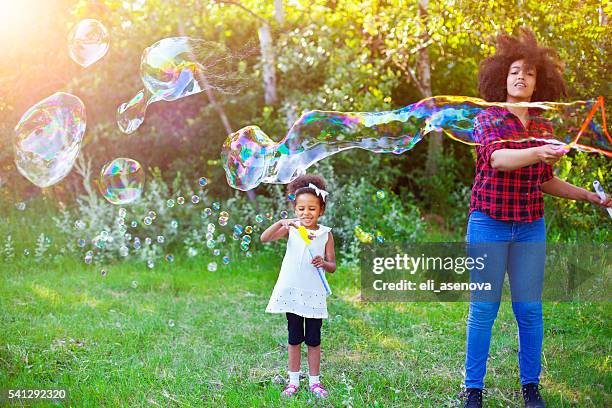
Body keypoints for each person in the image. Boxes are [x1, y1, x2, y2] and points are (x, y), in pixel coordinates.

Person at [462, 28, 612, 408]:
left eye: (529, 73)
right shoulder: (488, 118)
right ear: (502, 77)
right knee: (484, 308)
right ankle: (473, 389)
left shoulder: (543, 126)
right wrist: (539, 152)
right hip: (488, 223)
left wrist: (591, 197)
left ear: (537, 81)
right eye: (514, 70)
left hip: (530, 226)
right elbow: (498, 160)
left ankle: (530, 386)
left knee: (529, 309)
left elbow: (545, 179)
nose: (521, 77)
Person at [261, 174, 337, 399]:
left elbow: (332, 266)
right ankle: (293, 381)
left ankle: (315, 382)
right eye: (301, 208)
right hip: (293, 292)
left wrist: (324, 263)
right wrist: (280, 223)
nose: (306, 213)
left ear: (321, 210)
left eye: (312, 209)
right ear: (295, 210)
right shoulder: (292, 229)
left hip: (313, 293)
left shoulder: (326, 234)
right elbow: (265, 238)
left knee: (313, 339)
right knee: (294, 339)